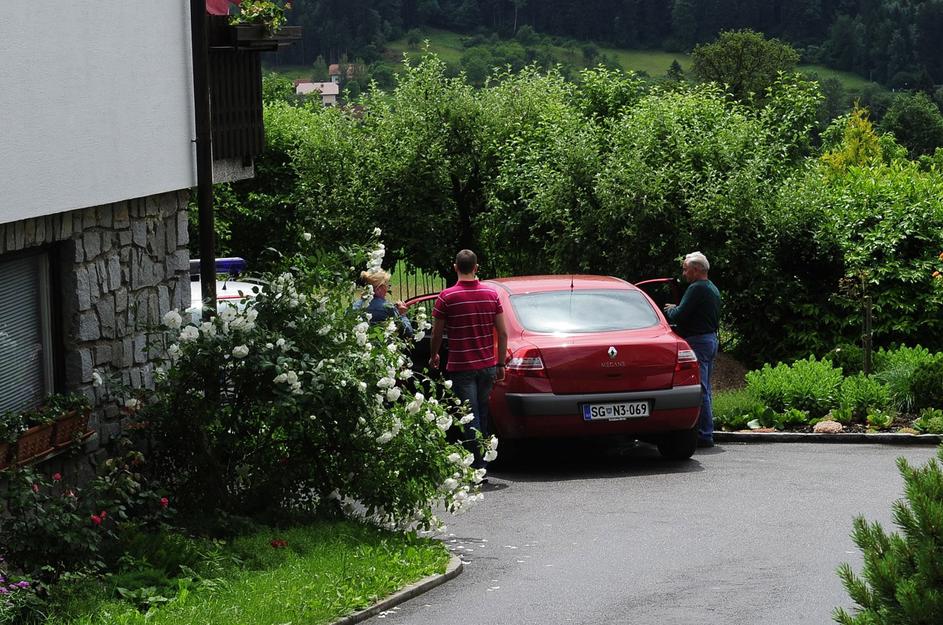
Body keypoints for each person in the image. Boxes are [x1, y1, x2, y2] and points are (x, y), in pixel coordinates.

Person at [429, 250, 508, 469]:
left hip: (461, 366)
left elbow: (436, 333)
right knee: (482, 413)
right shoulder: (492, 295)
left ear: (455, 267)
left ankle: (478, 467)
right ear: (476, 268)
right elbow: (502, 333)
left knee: (469, 416)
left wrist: (434, 354)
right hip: (487, 365)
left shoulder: (447, 297)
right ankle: (483, 463)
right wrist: (501, 363)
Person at [664, 251, 721, 448]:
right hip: (710, 340)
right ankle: (707, 429)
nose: (684, 273)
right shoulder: (711, 287)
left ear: (696, 270)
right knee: (706, 388)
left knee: (700, 389)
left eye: (685, 269)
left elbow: (679, 315)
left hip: (698, 342)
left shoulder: (696, 288)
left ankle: (705, 434)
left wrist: (671, 309)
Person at [355, 269, 413, 336]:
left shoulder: (355, 306)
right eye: (387, 286)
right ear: (379, 289)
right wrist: (402, 314)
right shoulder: (387, 307)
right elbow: (408, 332)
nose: (387, 290)